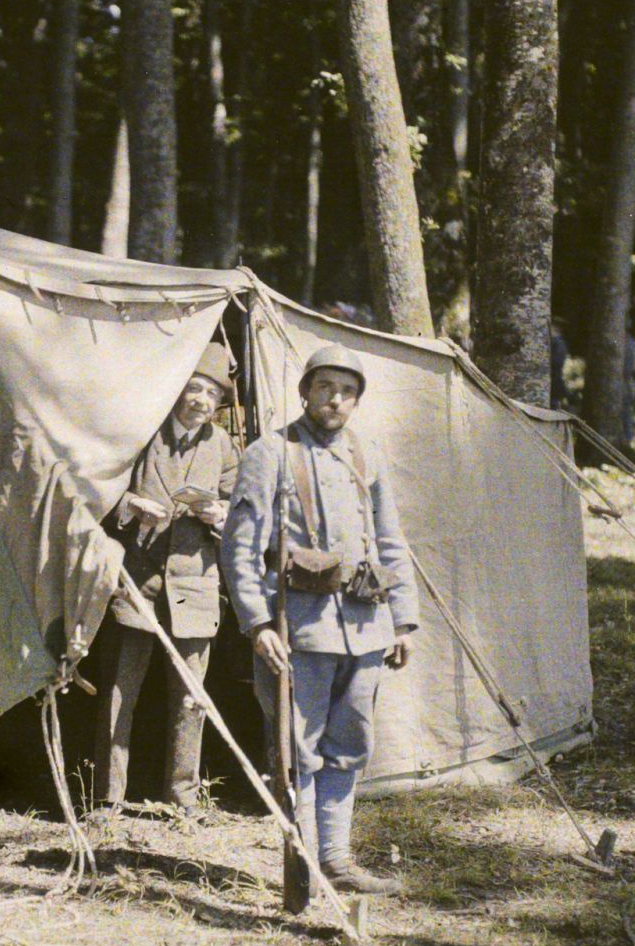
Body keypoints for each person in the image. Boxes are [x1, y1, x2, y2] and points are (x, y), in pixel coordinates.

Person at [220, 343, 419, 896]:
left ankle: (336, 859)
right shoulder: (270, 453)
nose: (335, 399)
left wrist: (403, 621)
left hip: (365, 626)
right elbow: (240, 548)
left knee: (349, 744)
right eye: (326, 387)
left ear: (357, 401)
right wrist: (258, 623)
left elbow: (390, 540)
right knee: (296, 750)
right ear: (305, 391)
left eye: (347, 391)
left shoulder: (366, 454)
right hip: (299, 630)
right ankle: (303, 862)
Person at [90, 341, 241, 815]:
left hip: (196, 586)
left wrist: (219, 514)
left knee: (191, 699)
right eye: (194, 389)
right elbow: (100, 492)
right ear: (178, 390)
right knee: (119, 695)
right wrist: (131, 505)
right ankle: (107, 798)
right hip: (137, 584)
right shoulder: (144, 434)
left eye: (211, 394)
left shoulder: (224, 446)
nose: (200, 401)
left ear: (220, 404)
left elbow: (242, 511)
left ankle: (183, 800)